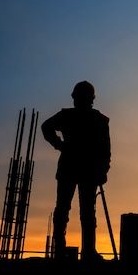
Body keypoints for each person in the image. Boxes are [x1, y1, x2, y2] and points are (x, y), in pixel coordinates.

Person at [41, 80, 111, 261]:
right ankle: (69, 251)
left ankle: (84, 251)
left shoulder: (96, 120)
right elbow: (46, 127)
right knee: (71, 210)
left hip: (82, 169)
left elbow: (105, 150)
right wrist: (60, 145)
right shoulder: (90, 119)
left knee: (82, 211)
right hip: (77, 169)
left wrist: (103, 170)